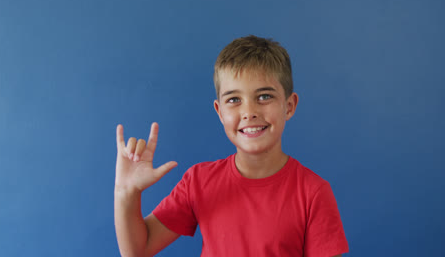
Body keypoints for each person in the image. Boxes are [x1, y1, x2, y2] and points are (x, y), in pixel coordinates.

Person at [114, 35, 349, 257]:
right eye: (234, 100)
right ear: (219, 111)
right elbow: (138, 250)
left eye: (264, 96)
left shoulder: (313, 193)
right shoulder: (198, 182)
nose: (249, 112)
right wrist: (126, 193)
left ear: (289, 106)